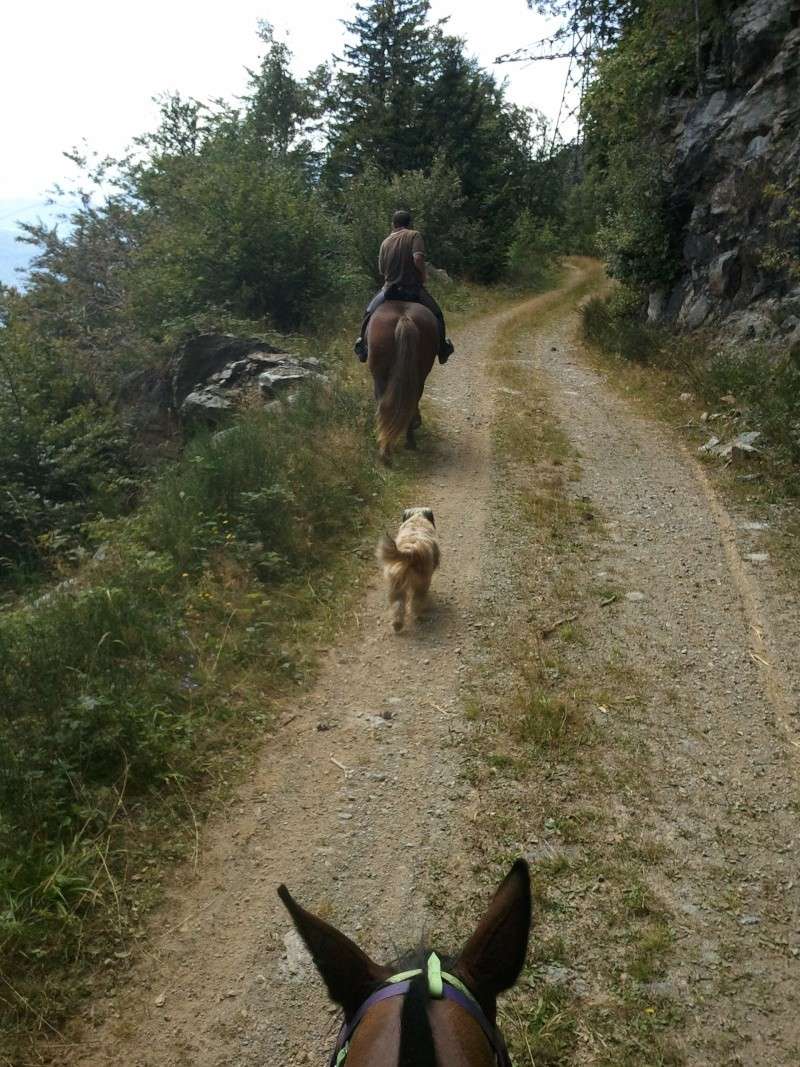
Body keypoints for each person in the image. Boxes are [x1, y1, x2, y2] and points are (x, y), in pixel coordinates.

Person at [354, 209, 455, 364]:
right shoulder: (414, 235)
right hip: (413, 289)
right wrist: (423, 275)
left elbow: (381, 269)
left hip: (389, 290)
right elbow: (418, 257)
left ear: (393, 224)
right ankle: (442, 349)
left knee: (368, 313)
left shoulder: (385, 242)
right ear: (409, 223)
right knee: (437, 314)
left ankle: (362, 346)